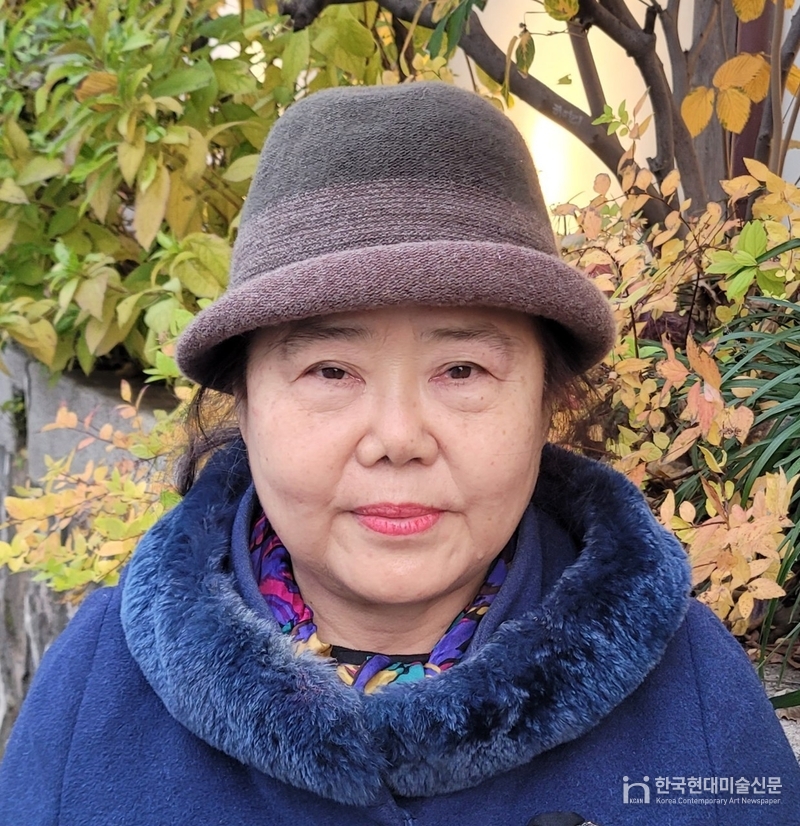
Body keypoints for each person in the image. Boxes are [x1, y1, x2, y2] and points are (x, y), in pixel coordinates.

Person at [0, 81, 798, 826]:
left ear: (547, 404)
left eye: (462, 370)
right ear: (243, 402)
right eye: (330, 371)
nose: (398, 439)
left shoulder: (693, 695)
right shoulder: (94, 693)